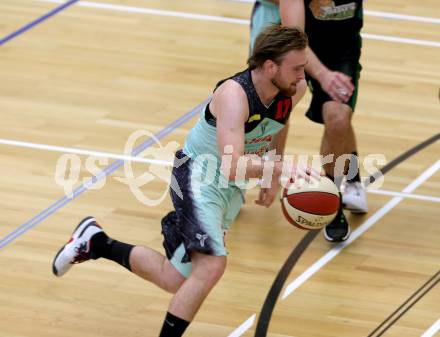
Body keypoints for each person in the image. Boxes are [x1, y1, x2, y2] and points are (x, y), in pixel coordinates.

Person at [52, 25, 319, 337]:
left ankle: (96, 242)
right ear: (270, 66)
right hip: (199, 177)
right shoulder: (234, 95)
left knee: (176, 279)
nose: (302, 77)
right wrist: (279, 167)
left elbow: (278, 124)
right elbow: (233, 165)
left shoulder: (291, 90)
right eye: (296, 69)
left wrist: (271, 173)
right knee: (212, 266)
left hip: (229, 189)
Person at [279, 0, 368, 242]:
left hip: (342, 52)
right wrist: (322, 75)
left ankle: (332, 199)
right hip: (296, 48)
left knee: (338, 119)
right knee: (269, 110)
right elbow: (294, 38)